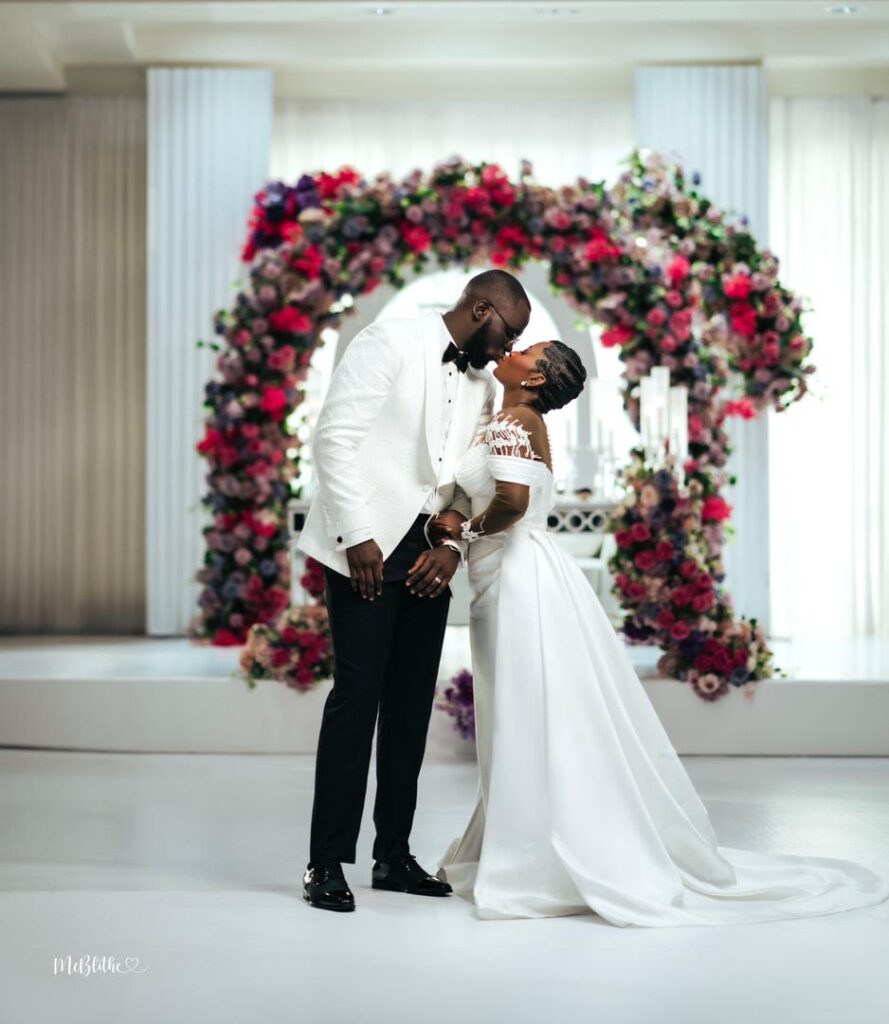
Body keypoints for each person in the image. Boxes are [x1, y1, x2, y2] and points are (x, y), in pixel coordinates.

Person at [431, 338, 889, 926]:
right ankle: (523, 842)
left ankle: (533, 859)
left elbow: (514, 502)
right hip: (512, 570)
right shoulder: (513, 418)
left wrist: (460, 530)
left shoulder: (514, 421)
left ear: (539, 378)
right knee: (524, 709)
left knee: (523, 709)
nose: (516, 348)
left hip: (518, 575)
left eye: (532, 350)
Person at [296, 269, 532, 912]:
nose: (509, 349)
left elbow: (464, 481)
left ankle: (393, 855)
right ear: (481, 308)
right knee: (357, 697)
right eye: (509, 331)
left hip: (429, 552)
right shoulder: (390, 342)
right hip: (364, 546)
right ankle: (325, 862)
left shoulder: (485, 384)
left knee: (408, 707)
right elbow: (334, 441)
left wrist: (449, 546)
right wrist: (358, 538)